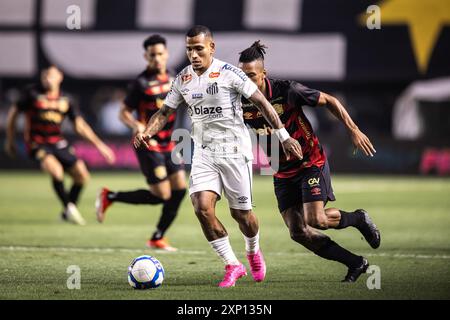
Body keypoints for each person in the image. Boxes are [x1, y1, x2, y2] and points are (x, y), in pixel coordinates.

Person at [134, 26, 303, 287]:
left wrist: (284, 137)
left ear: (211, 47)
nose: (193, 54)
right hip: (203, 152)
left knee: (242, 216)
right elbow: (164, 112)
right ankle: (232, 264)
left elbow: (262, 102)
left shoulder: (230, 74)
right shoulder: (182, 79)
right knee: (202, 207)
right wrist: (147, 132)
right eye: (189, 49)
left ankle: (252, 250)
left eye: (199, 48)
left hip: (234, 152)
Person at [238, 41, 380, 282]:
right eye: (242, 76)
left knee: (316, 219)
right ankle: (356, 263)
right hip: (281, 171)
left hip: (309, 163)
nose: (246, 82)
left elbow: (330, 101)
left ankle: (358, 218)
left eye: (251, 75)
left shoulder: (288, 91)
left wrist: (353, 130)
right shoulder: (237, 99)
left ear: (264, 74)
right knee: (298, 232)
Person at [95, 35, 187, 251]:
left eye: (160, 54)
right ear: (146, 56)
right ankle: (110, 196)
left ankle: (157, 237)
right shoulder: (140, 83)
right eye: (152, 55)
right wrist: (135, 124)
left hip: (170, 144)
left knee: (181, 189)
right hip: (148, 144)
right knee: (162, 196)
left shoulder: (174, 78)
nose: (157, 58)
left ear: (167, 54)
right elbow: (123, 112)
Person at [5, 65, 115, 225]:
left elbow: (80, 126)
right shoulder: (32, 94)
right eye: (45, 76)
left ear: (60, 77)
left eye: (51, 75)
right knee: (56, 171)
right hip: (37, 143)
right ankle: (70, 209)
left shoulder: (66, 99)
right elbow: (13, 114)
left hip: (58, 143)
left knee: (82, 176)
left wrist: (101, 146)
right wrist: (10, 139)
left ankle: (67, 212)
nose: (47, 79)